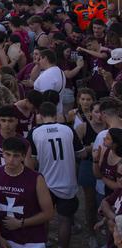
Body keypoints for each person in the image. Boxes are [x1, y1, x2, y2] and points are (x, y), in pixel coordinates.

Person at [27, 101, 81, 248]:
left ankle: (44, 244)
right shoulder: (67, 129)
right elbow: (81, 153)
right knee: (65, 220)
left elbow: (30, 160)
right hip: (67, 181)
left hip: (45, 183)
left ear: (40, 115)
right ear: (55, 115)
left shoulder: (35, 132)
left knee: (44, 218)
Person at [0, 136, 54, 248]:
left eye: (16, 156)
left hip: (32, 239)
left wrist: (21, 223)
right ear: (2, 153)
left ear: (23, 157)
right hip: (6, 238)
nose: (11, 160)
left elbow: (48, 213)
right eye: (8, 154)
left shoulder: (36, 178)